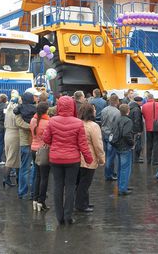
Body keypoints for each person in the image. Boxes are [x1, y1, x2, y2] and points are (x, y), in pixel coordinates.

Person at [43, 96, 93, 225]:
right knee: (70, 187)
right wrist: (89, 158)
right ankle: (68, 216)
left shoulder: (52, 121)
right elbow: (83, 144)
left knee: (58, 186)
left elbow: (46, 139)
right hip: (72, 160)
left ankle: (59, 217)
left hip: (55, 158)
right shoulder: (78, 123)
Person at [75, 103, 105, 212]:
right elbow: (98, 145)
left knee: (79, 182)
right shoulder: (93, 126)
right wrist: (102, 159)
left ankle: (83, 202)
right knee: (85, 183)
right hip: (89, 157)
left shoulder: (77, 123)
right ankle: (81, 205)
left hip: (76, 157)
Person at [14, 92, 36, 200]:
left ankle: (23, 192)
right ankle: (33, 192)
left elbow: (19, 123)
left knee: (24, 168)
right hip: (35, 142)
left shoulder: (18, 110)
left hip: (25, 142)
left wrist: (30, 126)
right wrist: (34, 127)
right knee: (34, 168)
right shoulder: (36, 109)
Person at [30, 102, 51, 211]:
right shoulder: (48, 122)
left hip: (33, 149)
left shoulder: (33, 120)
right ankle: (41, 201)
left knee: (37, 175)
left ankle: (35, 199)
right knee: (44, 177)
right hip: (43, 150)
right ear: (46, 110)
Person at [111, 104, 134, 196]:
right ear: (128, 110)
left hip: (117, 145)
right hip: (125, 146)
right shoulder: (128, 121)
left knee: (120, 167)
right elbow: (126, 134)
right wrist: (132, 143)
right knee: (125, 168)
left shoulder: (117, 119)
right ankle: (123, 188)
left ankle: (121, 185)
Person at [100, 94, 120, 181]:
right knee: (111, 156)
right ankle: (109, 175)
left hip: (104, 133)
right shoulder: (117, 112)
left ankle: (110, 172)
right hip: (111, 135)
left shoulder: (104, 110)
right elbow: (117, 125)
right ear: (117, 101)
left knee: (108, 155)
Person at [3, 91, 20, 188]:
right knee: (11, 158)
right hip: (15, 134)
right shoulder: (15, 110)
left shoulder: (8, 108)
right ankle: (6, 178)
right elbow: (18, 123)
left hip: (8, 133)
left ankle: (16, 178)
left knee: (13, 157)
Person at [141, 93, 158, 165]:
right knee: (156, 143)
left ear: (147, 98)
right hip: (156, 126)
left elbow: (143, 116)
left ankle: (148, 160)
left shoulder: (144, 106)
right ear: (153, 98)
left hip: (148, 127)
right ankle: (155, 160)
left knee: (149, 143)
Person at [129, 96, 144, 163]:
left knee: (133, 144)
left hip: (131, 129)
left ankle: (133, 158)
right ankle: (136, 158)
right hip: (136, 130)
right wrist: (138, 131)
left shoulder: (131, 107)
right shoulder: (137, 109)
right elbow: (137, 120)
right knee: (137, 144)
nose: (142, 102)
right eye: (141, 101)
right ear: (138, 101)